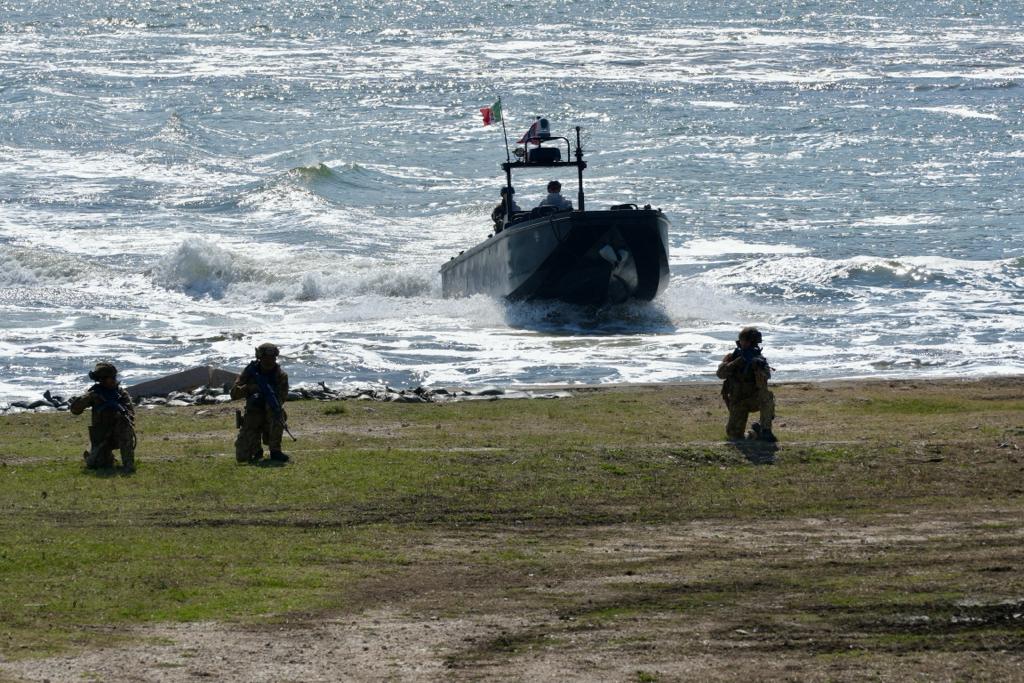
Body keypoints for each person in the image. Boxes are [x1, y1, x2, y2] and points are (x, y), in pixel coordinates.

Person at [70, 362, 137, 472]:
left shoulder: (120, 394)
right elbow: (75, 410)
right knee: (96, 463)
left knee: (125, 425)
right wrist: (88, 398)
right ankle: (97, 454)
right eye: (109, 378)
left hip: (118, 434)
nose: (113, 380)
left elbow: (130, 415)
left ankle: (128, 464)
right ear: (101, 379)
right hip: (101, 436)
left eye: (113, 377)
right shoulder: (95, 393)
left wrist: (121, 415)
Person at [231, 342, 291, 463]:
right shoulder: (250, 372)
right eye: (266, 358)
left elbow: (282, 398)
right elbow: (234, 394)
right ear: (260, 357)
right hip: (253, 415)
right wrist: (250, 388)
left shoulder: (280, 375)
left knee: (277, 413)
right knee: (242, 457)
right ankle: (256, 450)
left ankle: (275, 451)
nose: (270, 361)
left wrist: (267, 396)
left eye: (272, 358)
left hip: (271, 414)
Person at [717, 327, 776, 442]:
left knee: (767, 397)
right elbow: (720, 374)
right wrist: (735, 363)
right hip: (738, 401)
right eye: (746, 341)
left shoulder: (758, 359)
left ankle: (765, 430)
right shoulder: (732, 356)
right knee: (734, 435)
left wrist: (757, 370)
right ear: (741, 341)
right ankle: (754, 433)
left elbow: (766, 378)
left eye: (752, 343)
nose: (748, 344)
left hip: (754, 399)